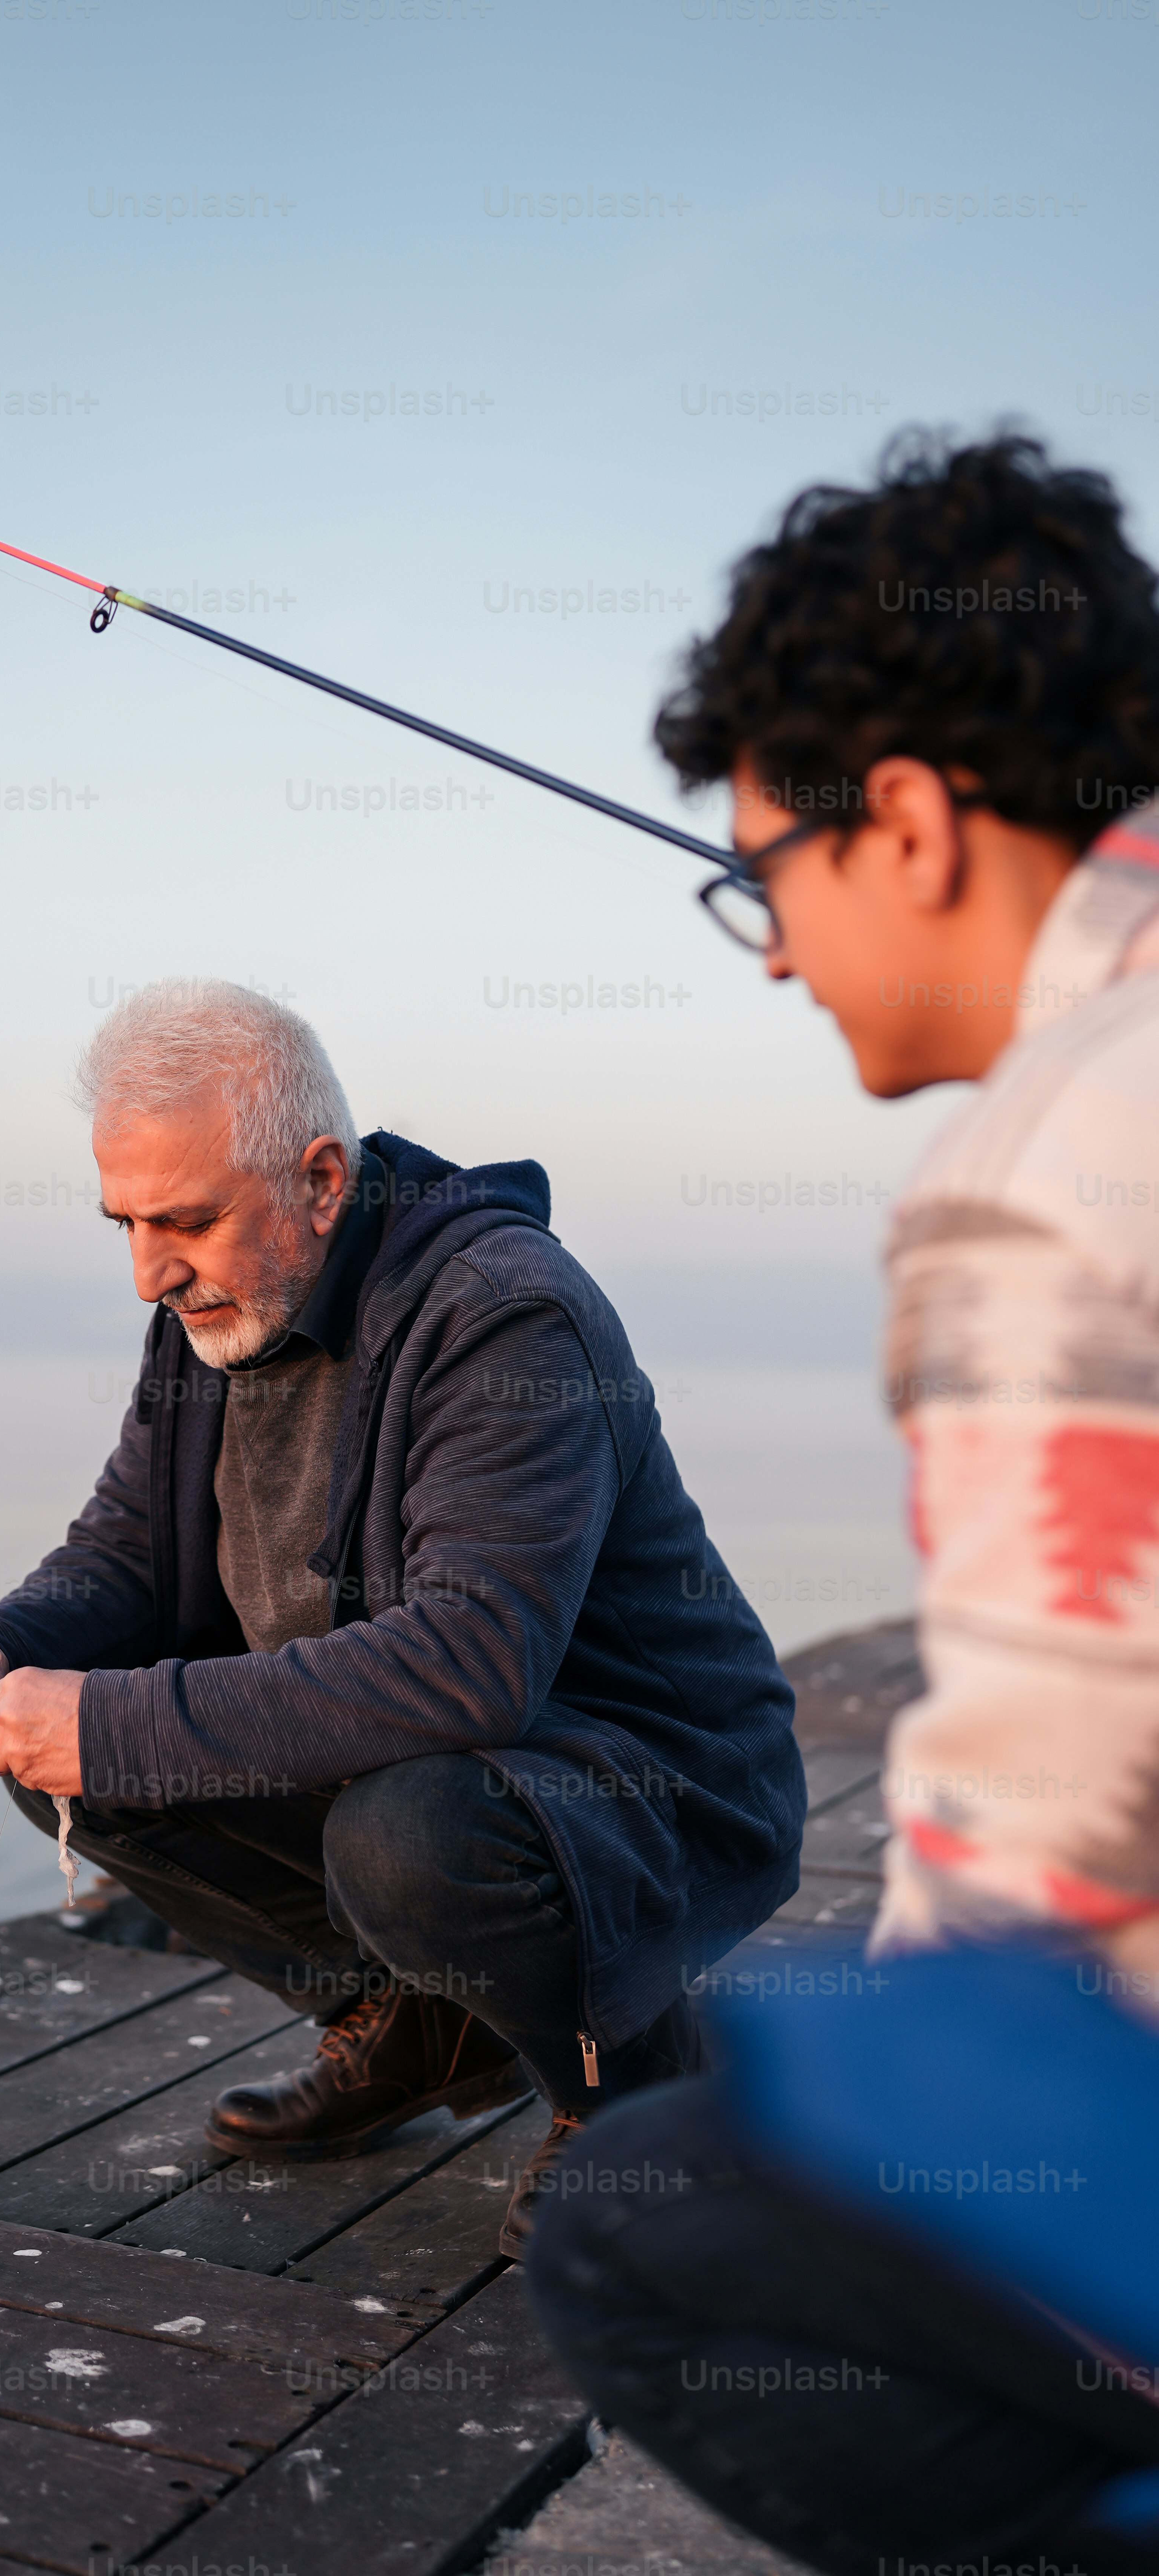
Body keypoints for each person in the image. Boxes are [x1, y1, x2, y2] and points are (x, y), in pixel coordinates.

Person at [526, 432, 1159, 2573]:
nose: (774, 955)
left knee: (645, 2213)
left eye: (761, 878)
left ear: (903, 818)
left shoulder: (1051, 1170)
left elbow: (1052, 1861)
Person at [0, 977, 805, 2254]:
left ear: (321, 1180)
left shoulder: (504, 1313)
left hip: (648, 1779)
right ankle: (412, 2027)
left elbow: (471, 1664)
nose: (151, 1271)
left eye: (189, 1222)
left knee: (403, 1832)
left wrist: (114, 1719)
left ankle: (637, 2089)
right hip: (448, 1753)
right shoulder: (212, 1310)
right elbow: (124, 1558)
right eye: (127, 1224)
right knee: (51, 1742)